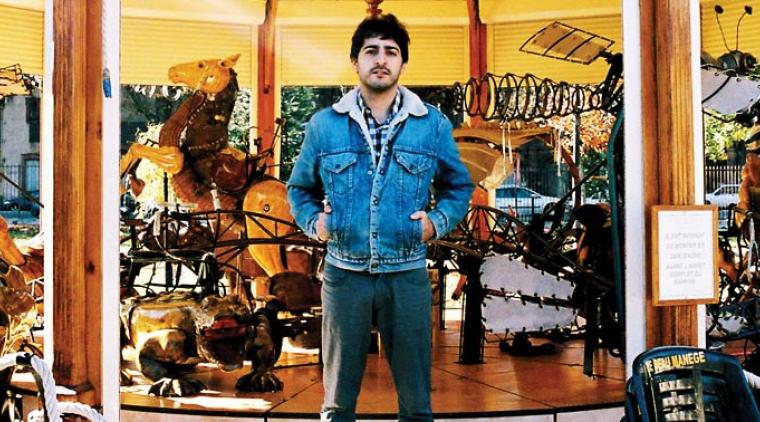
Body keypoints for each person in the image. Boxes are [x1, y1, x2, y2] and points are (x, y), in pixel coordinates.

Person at [287, 14, 473, 422]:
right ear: (355, 61)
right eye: (371, 50)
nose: (381, 59)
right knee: (337, 404)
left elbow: (459, 187)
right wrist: (316, 223)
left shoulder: (432, 125)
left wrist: (435, 223)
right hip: (343, 276)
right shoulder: (324, 126)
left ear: (402, 62)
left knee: (417, 403)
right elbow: (299, 189)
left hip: (407, 276)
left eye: (391, 51)